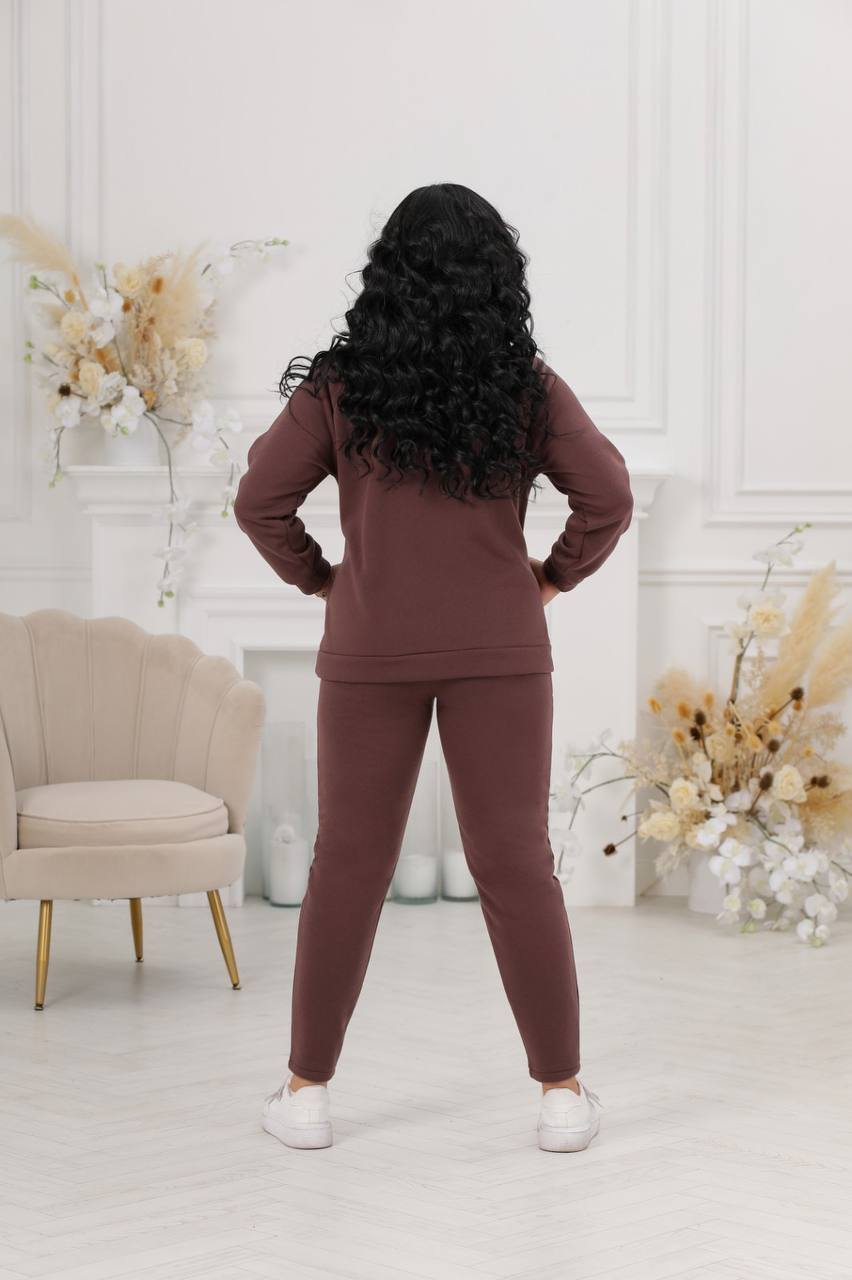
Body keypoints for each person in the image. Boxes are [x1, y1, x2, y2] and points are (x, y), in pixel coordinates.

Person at [233, 183, 633, 1153]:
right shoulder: (523, 383)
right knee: (516, 862)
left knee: (347, 864)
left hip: (369, 651)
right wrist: (550, 578)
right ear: (497, 277)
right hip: (502, 651)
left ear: (388, 274)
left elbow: (258, 502)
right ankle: (562, 1095)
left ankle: (305, 1093)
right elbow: (610, 496)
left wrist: (325, 580)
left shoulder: (340, 386)